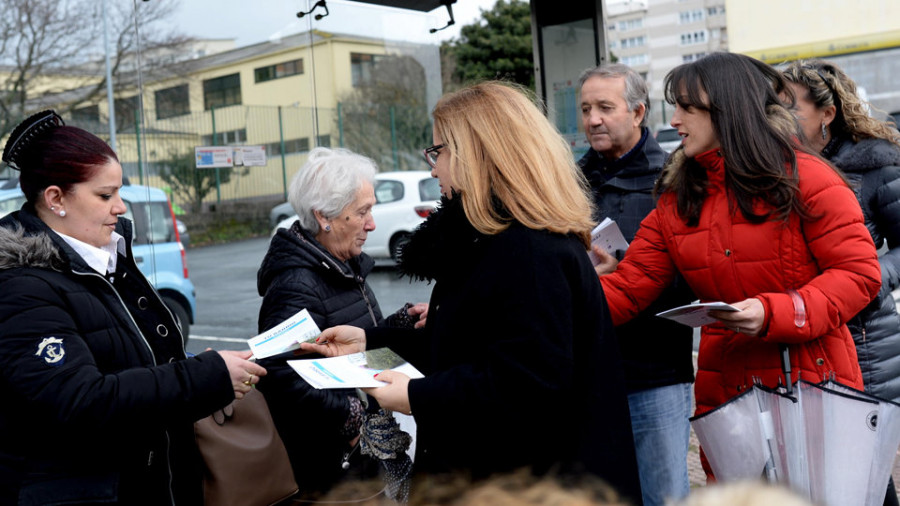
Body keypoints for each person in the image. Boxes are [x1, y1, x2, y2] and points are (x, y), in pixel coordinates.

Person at [302, 81, 642, 503]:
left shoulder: (530, 249)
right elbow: (468, 345)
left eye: (438, 152)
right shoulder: (496, 240)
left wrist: (414, 396)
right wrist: (370, 340)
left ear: (478, 154)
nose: (433, 169)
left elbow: (526, 384)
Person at [592, 53, 881, 478]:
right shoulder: (678, 196)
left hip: (812, 389)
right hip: (728, 396)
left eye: (687, 108)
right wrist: (554, 299)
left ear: (730, 109)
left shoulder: (809, 178)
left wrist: (774, 311)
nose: (674, 120)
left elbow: (859, 275)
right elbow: (631, 284)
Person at [0, 110, 266, 505]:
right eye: (105, 195)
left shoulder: (105, 260)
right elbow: (81, 401)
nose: (121, 207)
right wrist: (203, 377)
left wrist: (193, 367)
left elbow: (129, 363)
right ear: (56, 198)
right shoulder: (20, 287)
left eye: (119, 192)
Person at [256, 146, 426, 497]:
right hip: (334, 472)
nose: (372, 223)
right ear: (324, 217)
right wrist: (352, 419)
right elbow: (280, 375)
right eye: (362, 211)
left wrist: (398, 326)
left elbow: (351, 340)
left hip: (367, 458)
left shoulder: (343, 265)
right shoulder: (295, 283)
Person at [782, 58, 900, 506]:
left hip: (863, 338)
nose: (780, 118)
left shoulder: (875, 163)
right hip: (805, 335)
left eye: (791, 106)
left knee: (864, 475)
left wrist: (868, 281)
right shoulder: (780, 166)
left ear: (827, 113)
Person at [578, 63, 695, 506]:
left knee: (663, 497)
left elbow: (696, 273)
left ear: (639, 111)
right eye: (586, 109)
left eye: (606, 107)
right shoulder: (567, 181)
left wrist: (625, 269)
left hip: (655, 373)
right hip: (586, 373)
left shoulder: (674, 178)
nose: (593, 119)